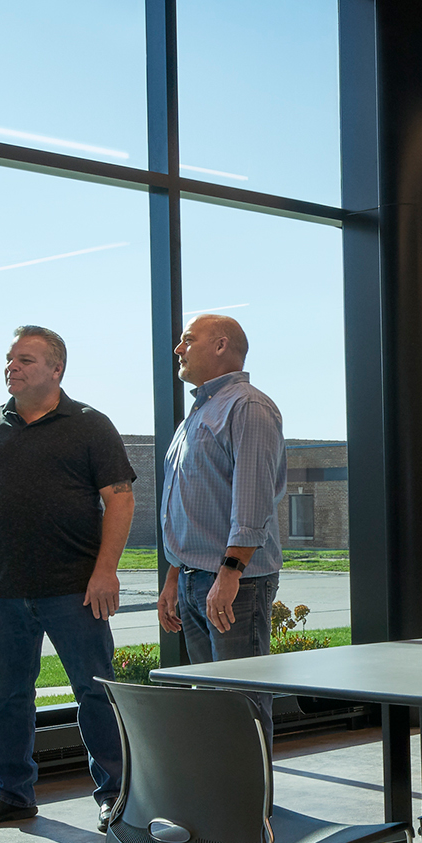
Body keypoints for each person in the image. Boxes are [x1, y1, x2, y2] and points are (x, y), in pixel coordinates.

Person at [0, 325, 135, 830]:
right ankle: (11, 792)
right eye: (9, 359)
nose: (12, 367)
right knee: (7, 697)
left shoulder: (91, 425)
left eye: (25, 359)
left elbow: (120, 497)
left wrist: (105, 571)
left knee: (95, 693)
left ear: (56, 369)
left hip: (75, 590)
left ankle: (118, 792)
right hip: (4, 589)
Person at [158, 313, 286, 741]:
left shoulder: (247, 406)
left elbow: (251, 502)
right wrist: (173, 577)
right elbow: (185, 505)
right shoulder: (199, 413)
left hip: (235, 582)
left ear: (220, 346)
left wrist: (230, 574)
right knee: (212, 698)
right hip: (197, 580)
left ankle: (250, 804)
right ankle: (221, 798)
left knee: (241, 699)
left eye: (187, 339)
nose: (179, 349)